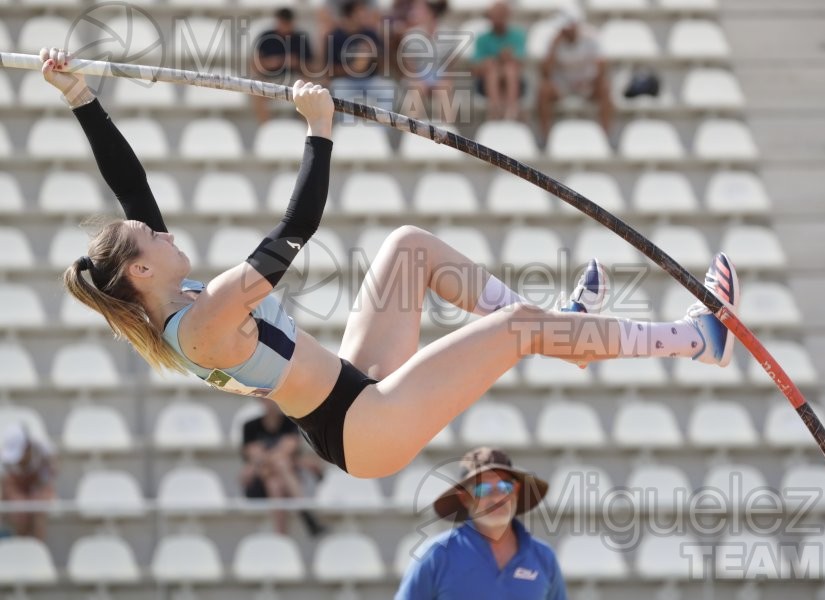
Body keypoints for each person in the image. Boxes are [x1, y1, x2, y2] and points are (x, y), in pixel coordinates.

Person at [43, 46, 740, 480]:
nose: (164, 235)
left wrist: (81, 98)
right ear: (139, 272)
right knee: (525, 324)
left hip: (353, 388)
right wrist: (318, 131)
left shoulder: (175, 293)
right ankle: (694, 340)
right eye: (151, 239)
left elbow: (130, 189)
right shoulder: (201, 322)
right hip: (363, 429)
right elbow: (296, 229)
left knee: (409, 249)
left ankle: (568, 337)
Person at [395, 447, 565, 599]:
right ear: (464, 498)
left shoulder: (544, 558)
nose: (497, 498)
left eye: (505, 486)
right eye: (482, 489)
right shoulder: (435, 556)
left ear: (516, 490)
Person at [241, 398, 327, 536]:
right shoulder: (250, 426)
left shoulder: (291, 423)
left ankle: (280, 536)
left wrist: (265, 459)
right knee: (280, 463)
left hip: (282, 479)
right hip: (261, 481)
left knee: (275, 483)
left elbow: (261, 457)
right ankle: (306, 515)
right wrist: (278, 459)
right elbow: (257, 459)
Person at [537, 9, 613, 143]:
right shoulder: (554, 40)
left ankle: (605, 139)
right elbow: (546, 73)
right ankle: (546, 140)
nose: (563, 31)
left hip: (588, 83)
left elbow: (602, 67)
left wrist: (590, 83)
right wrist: (553, 47)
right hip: (563, 85)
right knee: (543, 90)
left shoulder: (592, 37)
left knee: (605, 88)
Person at [324, 0, 395, 115]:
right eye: (360, 12)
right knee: (338, 88)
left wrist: (373, 54)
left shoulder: (370, 33)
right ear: (349, 15)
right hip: (346, 81)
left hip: (369, 80)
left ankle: (382, 131)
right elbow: (330, 70)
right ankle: (345, 130)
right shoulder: (335, 36)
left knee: (387, 89)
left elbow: (383, 65)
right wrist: (353, 67)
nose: (364, 15)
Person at [250, 7, 317, 123]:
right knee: (256, 92)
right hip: (270, 79)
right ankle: (266, 128)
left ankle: (307, 129)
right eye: (283, 23)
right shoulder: (266, 37)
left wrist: (297, 63)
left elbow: (311, 67)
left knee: (307, 91)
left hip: (294, 79)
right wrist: (276, 62)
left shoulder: (300, 38)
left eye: (287, 23)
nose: (285, 26)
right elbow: (255, 65)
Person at [472, 0, 527, 121]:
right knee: (492, 70)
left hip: (513, 80)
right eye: (495, 16)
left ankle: (511, 112)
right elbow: (475, 69)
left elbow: (520, 62)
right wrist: (493, 62)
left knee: (510, 69)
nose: (498, 20)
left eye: (501, 15)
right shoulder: (482, 39)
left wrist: (504, 60)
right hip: (486, 82)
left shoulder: (518, 36)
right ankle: (496, 112)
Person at [0, 423, 56, 540]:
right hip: (16, 487)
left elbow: (50, 476)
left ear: (27, 447)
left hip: (39, 485)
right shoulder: (4, 459)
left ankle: (37, 547)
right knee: (19, 511)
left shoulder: (44, 452)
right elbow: (6, 484)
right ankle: (21, 545)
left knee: (38, 510)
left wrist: (36, 491)